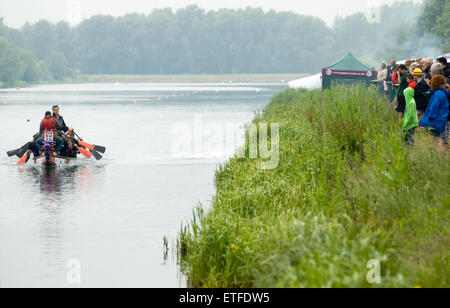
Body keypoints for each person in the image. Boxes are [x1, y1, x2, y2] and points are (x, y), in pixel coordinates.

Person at [419, 75, 449, 151]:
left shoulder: (437, 94)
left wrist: (429, 118)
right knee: (444, 140)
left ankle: (440, 156)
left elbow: (433, 108)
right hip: (444, 119)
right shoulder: (443, 93)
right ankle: (444, 156)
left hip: (437, 120)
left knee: (437, 140)